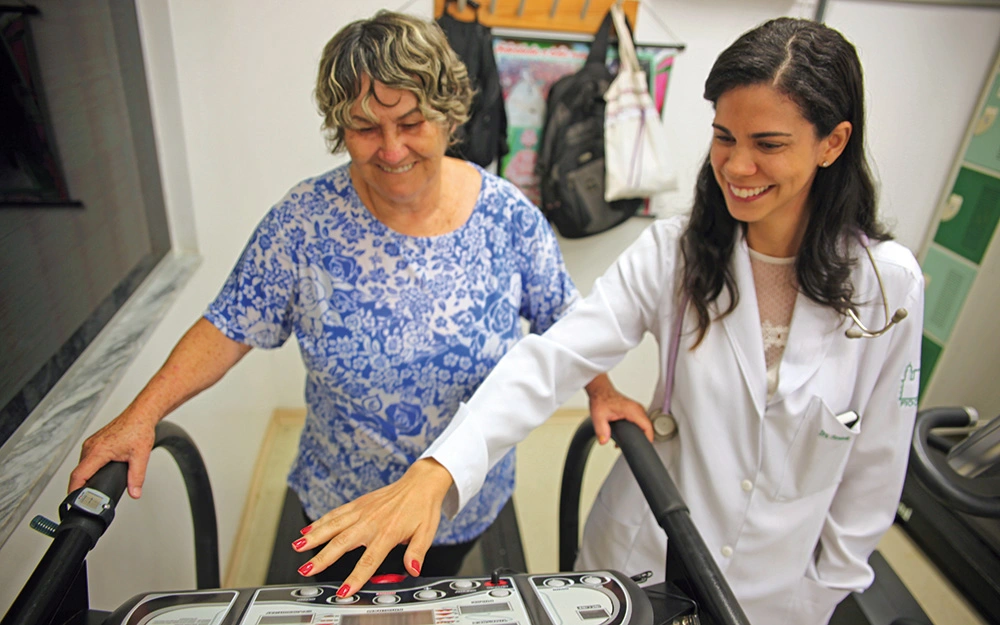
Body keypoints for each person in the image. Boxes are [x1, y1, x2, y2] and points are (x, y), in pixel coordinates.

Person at [294, 17, 925, 623]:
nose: (735, 166)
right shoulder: (677, 251)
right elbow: (551, 358)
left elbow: (873, 471)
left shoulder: (888, 287)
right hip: (643, 556)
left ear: (832, 143)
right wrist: (439, 472)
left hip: (780, 594)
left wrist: (823, 593)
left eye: (768, 144)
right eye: (724, 137)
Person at [68, 10, 637, 583]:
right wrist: (141, 415)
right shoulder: (304, 221)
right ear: (340, 127)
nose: (391, 150)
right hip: (341, 496)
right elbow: (229, 324)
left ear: (448, 115)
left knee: (433, 598)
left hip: (462, 498)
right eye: (366, 128)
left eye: (412, 122)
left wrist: (603, 391)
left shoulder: (508, 217)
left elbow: (562, 318)